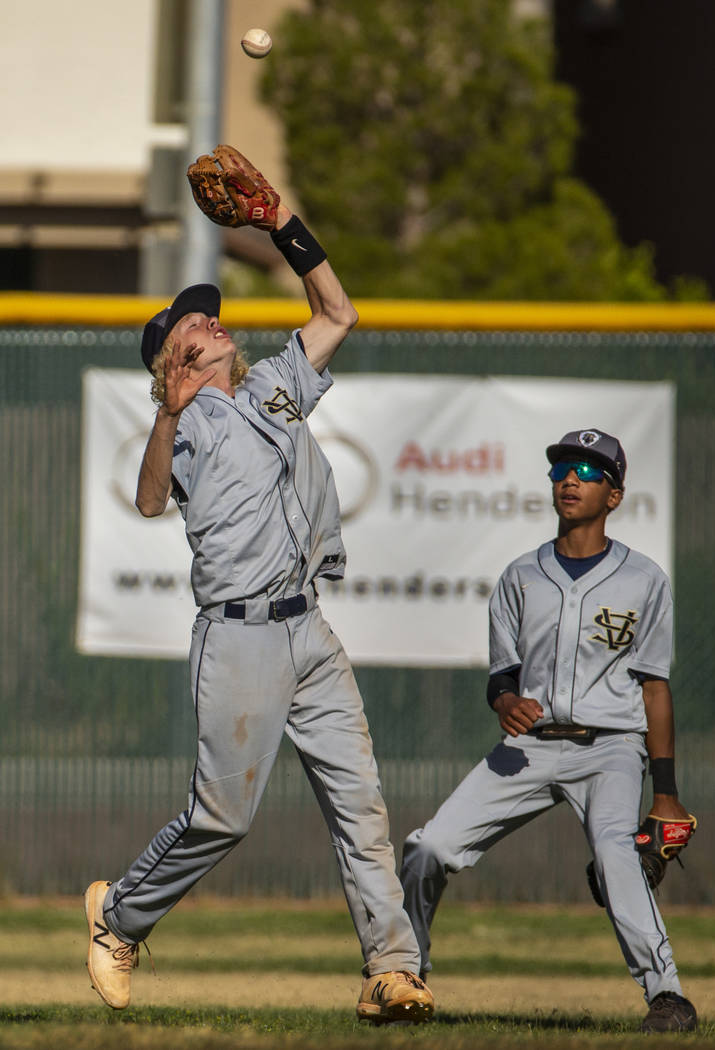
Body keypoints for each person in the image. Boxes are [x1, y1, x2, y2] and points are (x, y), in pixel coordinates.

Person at [83, 190, 433, 1026]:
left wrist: (281, 224)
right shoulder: (191, 420)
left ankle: (392, 970)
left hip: (307, 628)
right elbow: (147, 498)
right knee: (222, 818)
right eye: (195, 324)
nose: (214, 321)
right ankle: (118, 917)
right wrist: (166, 417)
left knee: (361, 804)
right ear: (175, 358)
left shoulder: (276, 384)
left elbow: (338, 310)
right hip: (237, 639)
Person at [400, 428, 697, 1033]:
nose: (570, 479)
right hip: (527, 748)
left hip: (610, 747)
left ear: (614, 495)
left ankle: (667, 997)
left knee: (618, 855)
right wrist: (504, 701)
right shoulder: (520, 576)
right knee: (426, 848)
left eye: (588, 472)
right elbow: (501, 676)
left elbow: (655, 688)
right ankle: (404, 974)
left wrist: (663, 791)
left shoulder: (644, 579)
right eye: (563, 467)